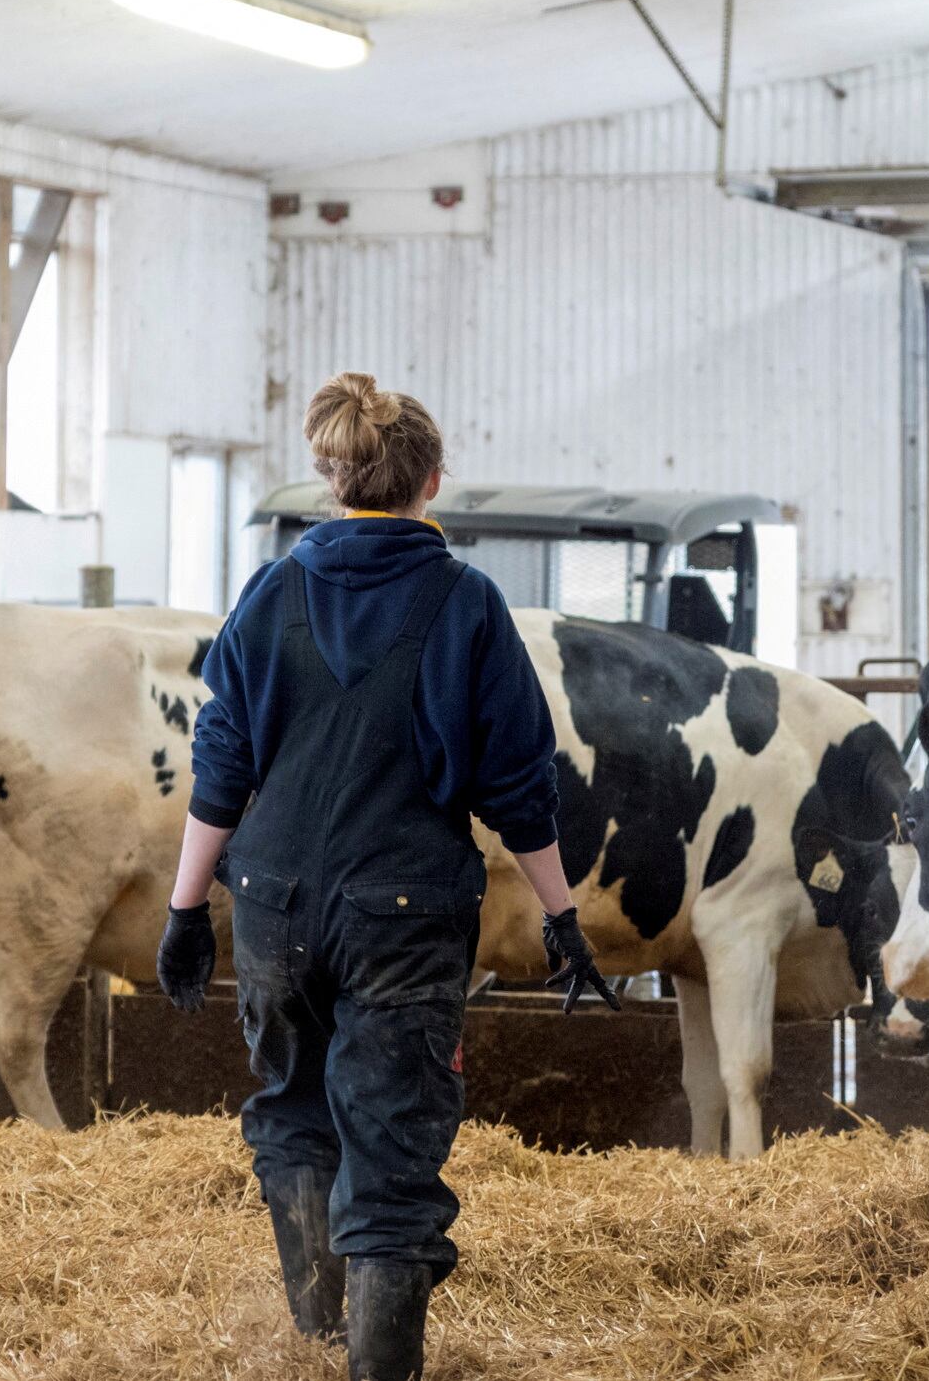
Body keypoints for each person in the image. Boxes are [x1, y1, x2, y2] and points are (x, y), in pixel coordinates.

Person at [156, 372, 614, 1381]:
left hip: (271, 901)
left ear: (333, 478)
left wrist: (188, 907)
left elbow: (221, 759)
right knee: (393, 1138)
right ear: (431, 481)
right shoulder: (467, 604)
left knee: (291, 1108)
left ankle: (316, 1345)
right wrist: (561, 914)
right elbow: (519, 784)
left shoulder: (271, 590)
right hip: (405, 907)